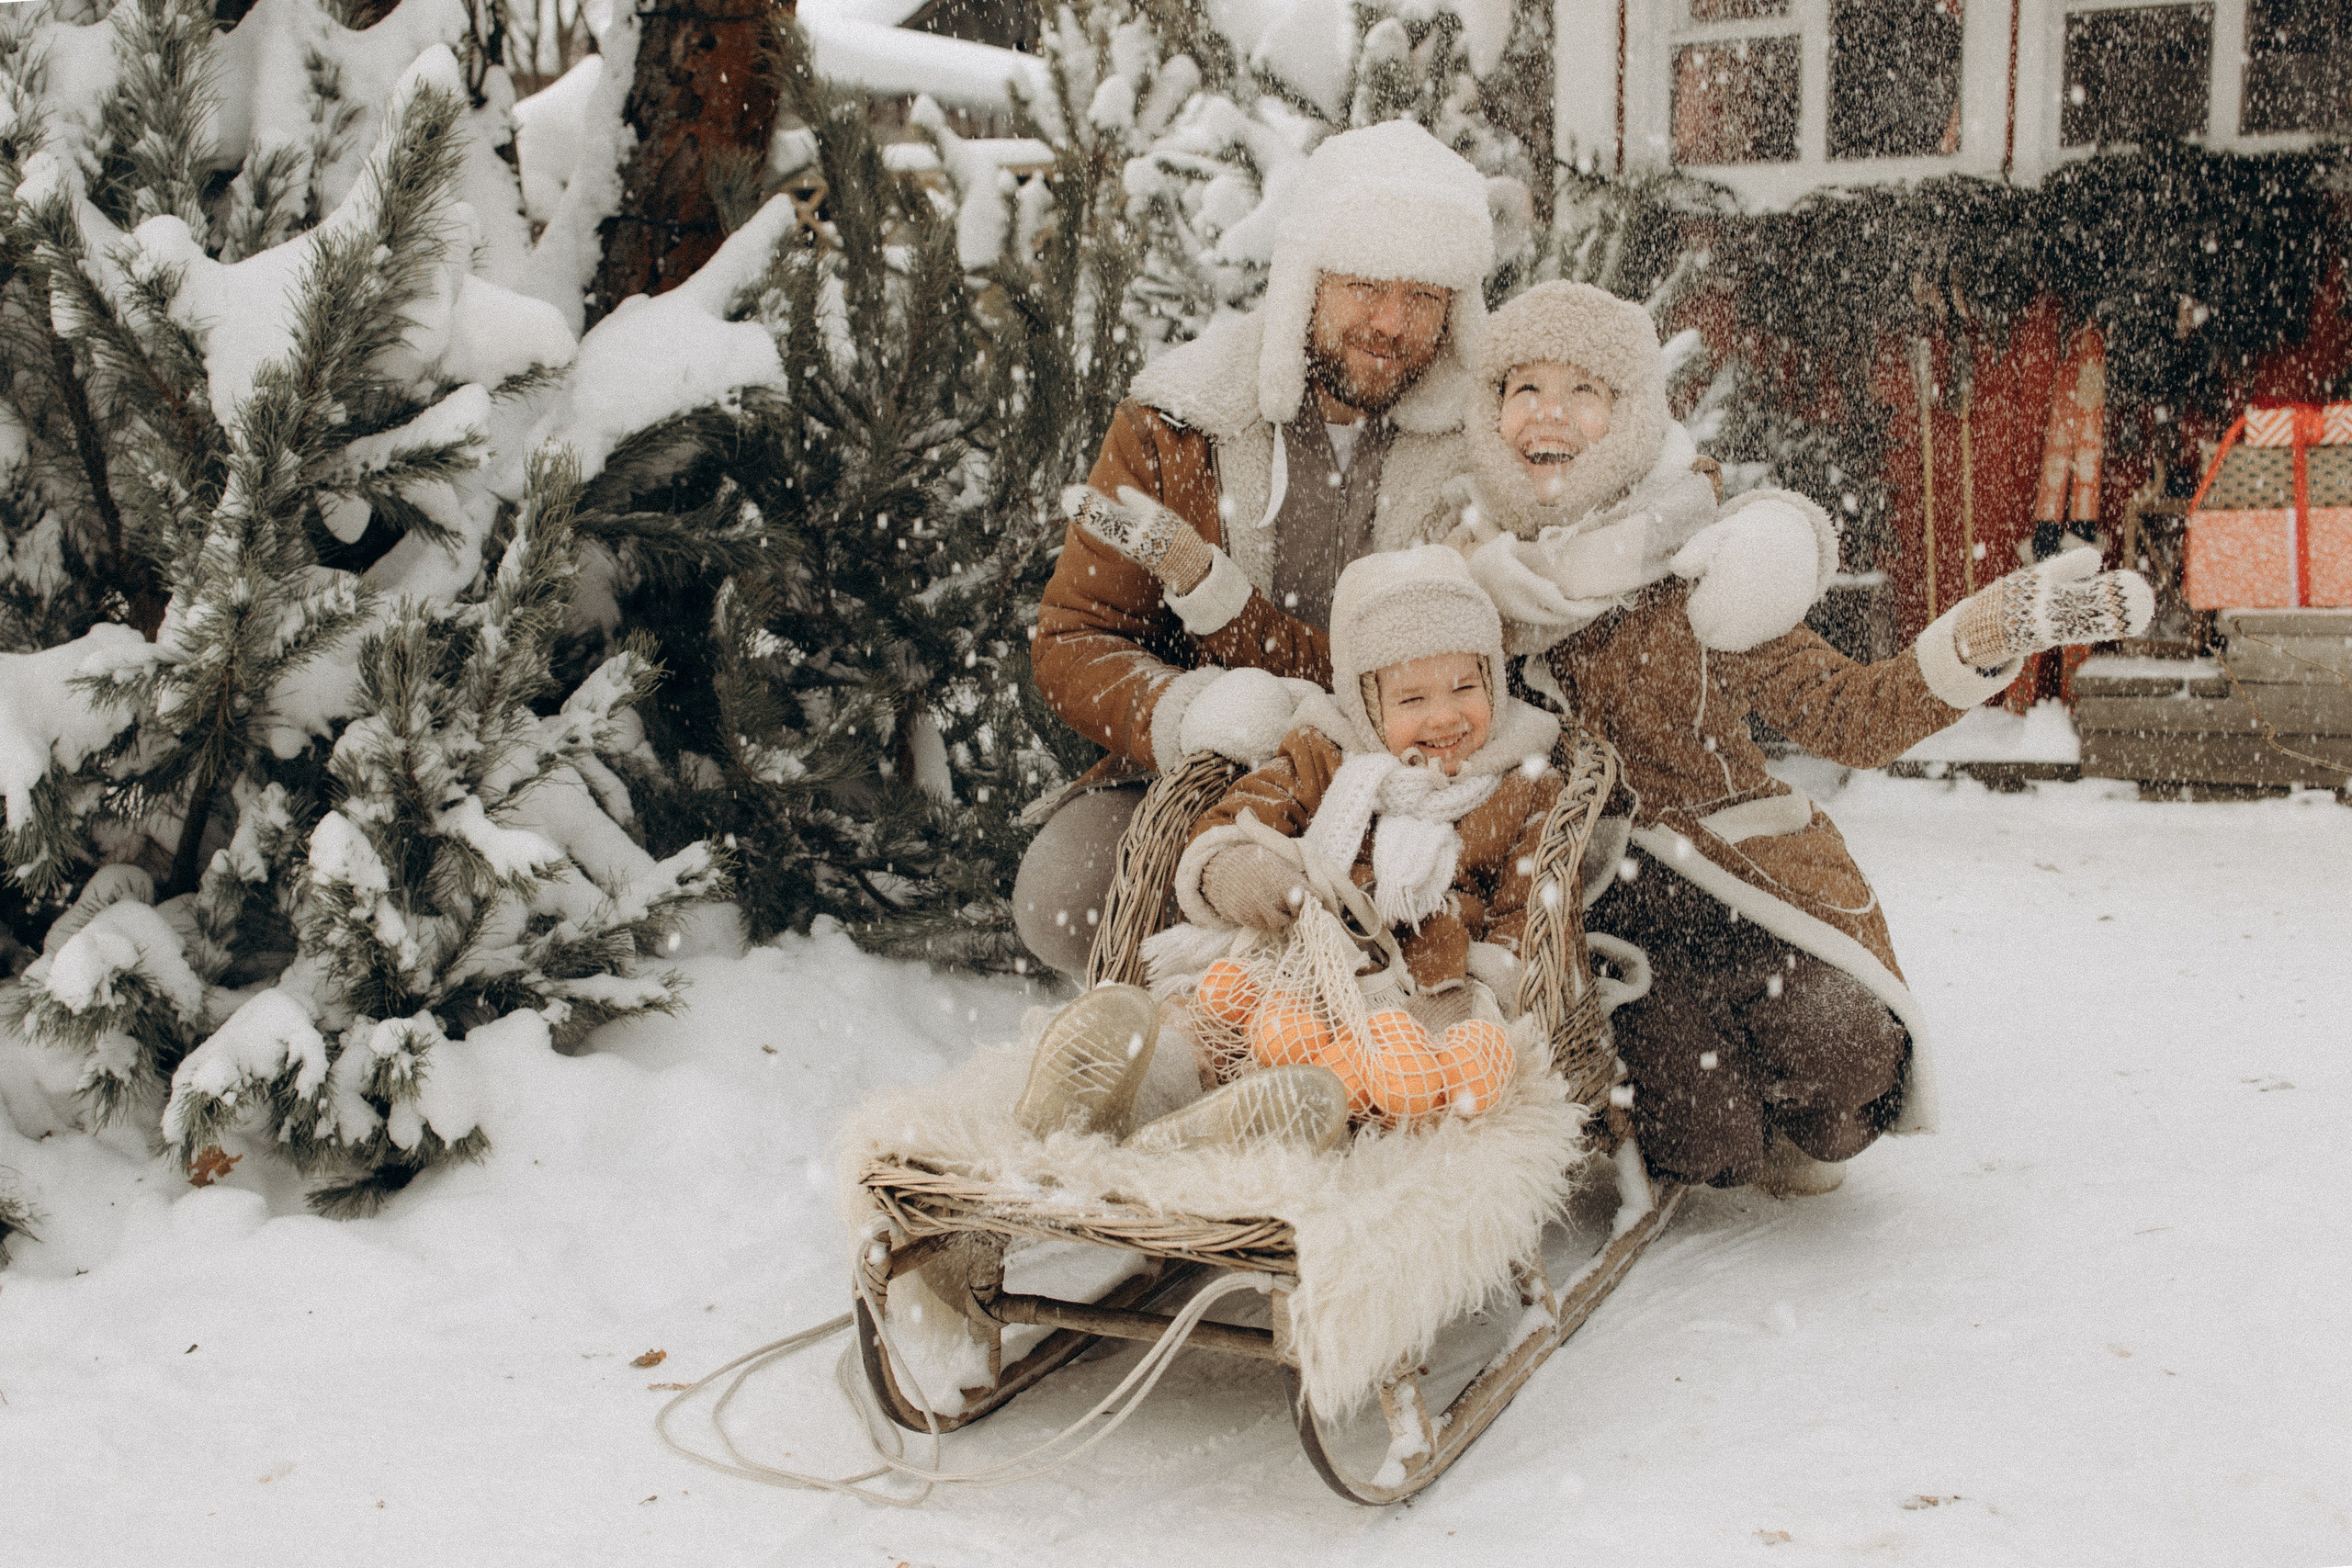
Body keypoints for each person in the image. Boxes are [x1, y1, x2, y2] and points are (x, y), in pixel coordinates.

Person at [1450, 281, 2154, 1195]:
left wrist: (1976, 643)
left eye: (1584, 390)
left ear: (1626, 416)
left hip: (1746, 884)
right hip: (1610, 923)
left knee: (1847, 1069)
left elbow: (1852, 719)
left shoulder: (1700, 567)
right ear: (1491, 410)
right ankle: (1691, 1081)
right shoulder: (1468, 584)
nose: (1550, 415)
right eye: (1524, 388)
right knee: (1713, 1148)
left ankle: (1760, 1059)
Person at [1012, 119, 1502, 981]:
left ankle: (1362, 1019)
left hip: (1418, 783)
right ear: (1306, 280)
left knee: (1429, 925)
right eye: (1364, 287)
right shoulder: (1181, 417)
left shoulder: (1487, 444)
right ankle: (1226, 1008)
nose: (1391, 323)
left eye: (1423, 296)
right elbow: (1071, 639)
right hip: (1214, 771)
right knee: (1063, 893)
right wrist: (1190, 713)